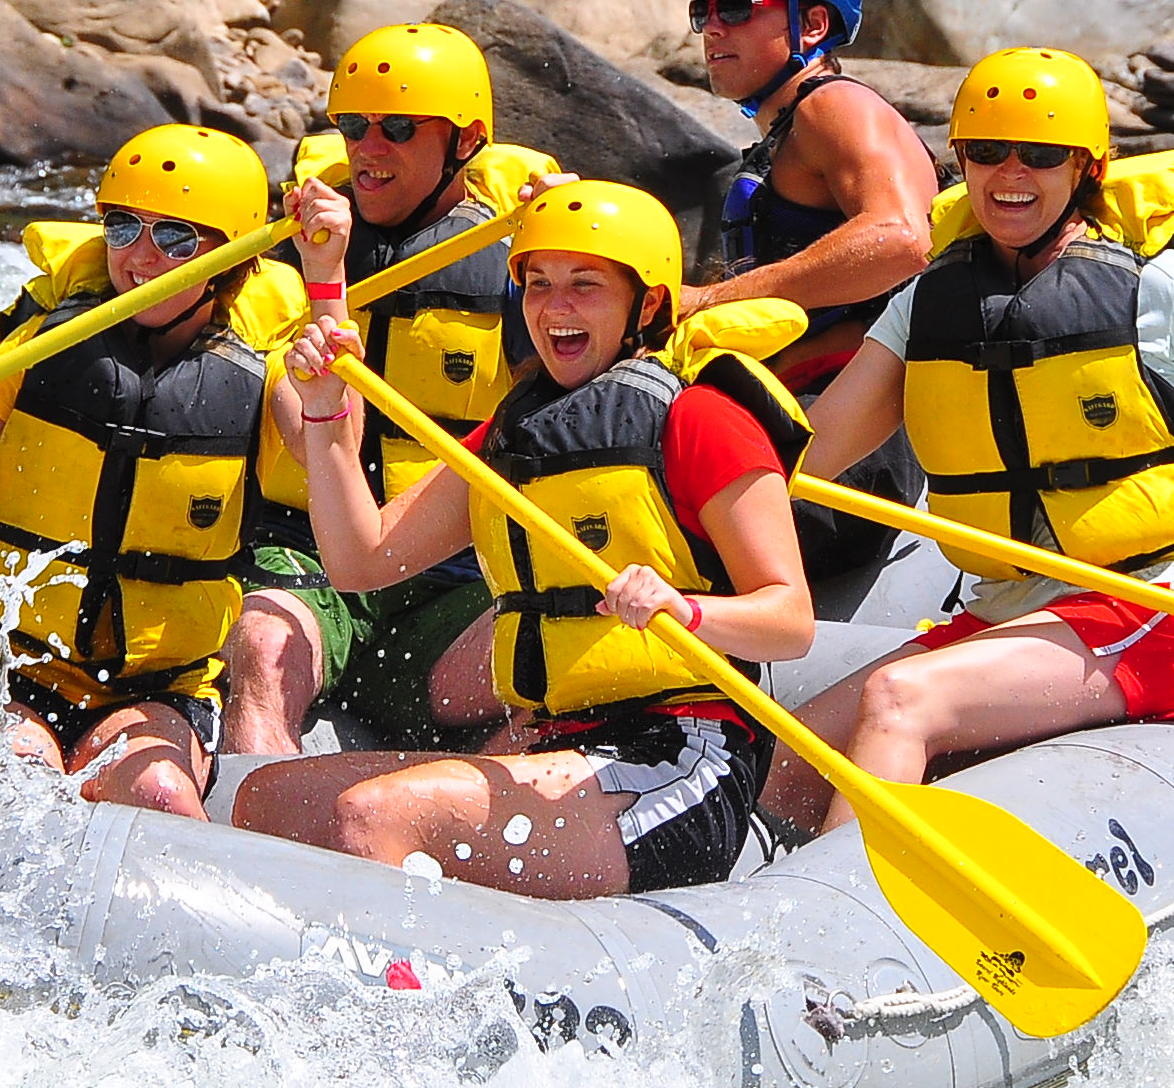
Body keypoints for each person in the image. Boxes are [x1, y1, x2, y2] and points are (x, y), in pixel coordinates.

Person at [762, 47, 1174, 835]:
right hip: (1009, 611)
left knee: (902, 700)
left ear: (1086, 168)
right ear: (960, 159)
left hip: (1149, 606)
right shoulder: (929, 303)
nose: (1011, 175)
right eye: (988, 152)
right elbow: (809, 457)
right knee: (788, 766)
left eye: (1040, 155)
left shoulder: (1161, 286)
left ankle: (851, 929)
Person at [235, 184, 817, 896]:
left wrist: (684, 609)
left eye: (585, 286)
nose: (555, 308)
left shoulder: (699, 420)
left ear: (650, 305)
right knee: (268, 800)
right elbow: (362, 560)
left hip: (681, 757)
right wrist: (326, 418)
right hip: (553, 742)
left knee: (375, 814)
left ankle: (395, 1005)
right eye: (537, 285)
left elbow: (790, 622)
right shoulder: (514, 436)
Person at [0, 123, 307, 820]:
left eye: (175, 237)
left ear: (230, 256)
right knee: (11, 778)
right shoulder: (39, 347)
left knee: (160, 795)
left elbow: (335, 467)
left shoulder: (262, 380)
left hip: (155, 685)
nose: (142, 258)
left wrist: (327, 282)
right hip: (8, 668)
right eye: (122, 229)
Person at [220, 23, 563, 756]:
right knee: (259, 643)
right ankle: (253, 833)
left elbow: (584, 409)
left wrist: (574, 249)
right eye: (352, 126)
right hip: (312, 562)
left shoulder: (522, 266)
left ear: (466, 144)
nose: (368, 150)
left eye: (399, 129)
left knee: (561, 670)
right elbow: (311, 439)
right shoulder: (283, 250)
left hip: (459, 584)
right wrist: (324, 279)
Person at [672, 0, 940, 580]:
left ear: (813, 25)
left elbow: (903, 238)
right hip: (803, 417)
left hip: (852, 439)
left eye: (736, 6)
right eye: (701, 9)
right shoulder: (790, 127)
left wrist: (711, 300)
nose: (712, 26)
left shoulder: (833, 108)